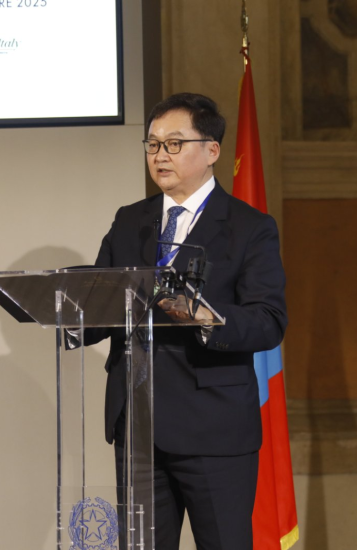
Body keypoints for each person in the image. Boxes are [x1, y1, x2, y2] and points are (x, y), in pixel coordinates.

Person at [88, 92, 287, 550]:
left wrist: (204, 317)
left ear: (212, 150)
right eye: (153, 144)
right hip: (137, 427)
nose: (160, 155)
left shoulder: (249, 226)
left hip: (213, 428)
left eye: (174, 144)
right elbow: (102, 302)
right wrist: (69, 315)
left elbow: (268, 321)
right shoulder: (129, 221)